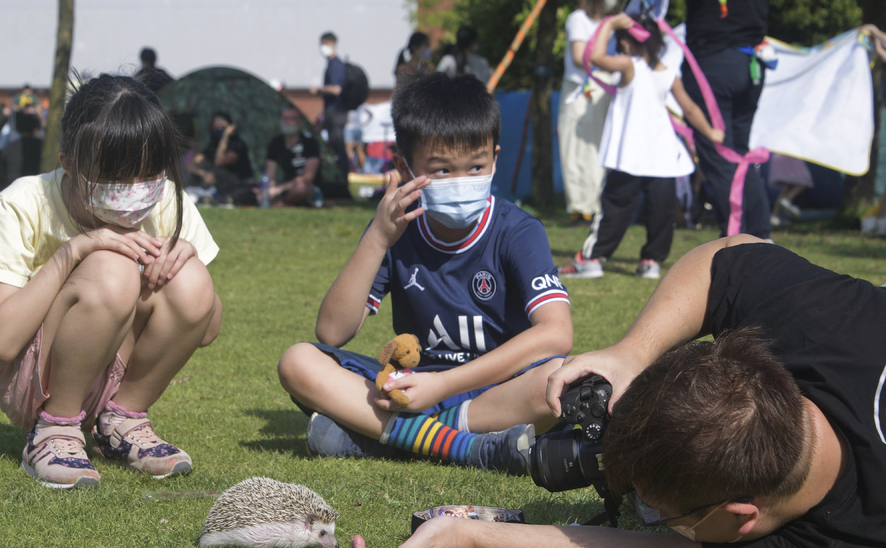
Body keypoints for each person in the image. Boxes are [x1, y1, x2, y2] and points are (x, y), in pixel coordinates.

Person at [354, 233, 886, 548]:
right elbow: (729, 256)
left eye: (661, 512)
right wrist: (633, 352)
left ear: (742, 517)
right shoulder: (833, 321)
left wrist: (476, 541)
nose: (644, 514)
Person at [278, 72, 573, 473]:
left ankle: (390, 437)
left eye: (476, 166)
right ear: (403, 165)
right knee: (298, 362)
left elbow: (557, 333)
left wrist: (442, 386)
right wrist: (378, 239)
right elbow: (332, 332)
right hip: (408, 387)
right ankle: (470, 448)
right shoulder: (396, 227)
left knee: (564, 380)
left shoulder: (518, 230)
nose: (462, 181)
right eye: (443, 171)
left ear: (495, 158)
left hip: (495, 390)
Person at [0, 74, 222, 490]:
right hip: (29, 376)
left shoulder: (167, 201)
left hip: (110, 368)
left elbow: (205, 328)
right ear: (68, 164)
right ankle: (54, 430)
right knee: (112, 266)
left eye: (148, 174)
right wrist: (75, 251)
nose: (135, 192)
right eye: (116, 177)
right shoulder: (22, 204)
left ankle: (121, 422)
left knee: (190, 276)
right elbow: (2, 342)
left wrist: (185, 259)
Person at [560, 13, 724, 280]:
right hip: (662, 157)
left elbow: (595, 58)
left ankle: (590, 260)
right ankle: (651, 260)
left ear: (624, 43)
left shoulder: (628, 65)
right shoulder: (666, 73)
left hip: (631, 155)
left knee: (615, 208)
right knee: (662, 212)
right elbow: (691, 110)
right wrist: (712, 133)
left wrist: (609, 24)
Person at [682, 0, 771, 239]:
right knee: (740, 155)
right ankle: (760, 235)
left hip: (714, 63)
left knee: (720, 157)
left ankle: (739, 239)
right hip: (751, 63)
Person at [558, 0, 614, 226]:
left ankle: (593, 206)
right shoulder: (578, 19)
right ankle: (579, 209)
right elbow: (579, 57)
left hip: (601, 90)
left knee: (595, 149)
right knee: (573, 149)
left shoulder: (610, 23)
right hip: (579, 90)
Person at [187, 111, 255, 205]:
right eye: (216, 127)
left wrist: (225, 136)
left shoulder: (237, 145)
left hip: (238, 183)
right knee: (194, 176)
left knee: (217, 172)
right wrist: (203, 174)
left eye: (222, 127)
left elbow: (219, 162)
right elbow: (191, 166)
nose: (219, 130)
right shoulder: (213, 144)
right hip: (216, 182)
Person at [264, 107, 322, 207]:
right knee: (259, 191)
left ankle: (282, 203)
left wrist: (281, 189)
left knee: (301, 187)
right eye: (285, 118)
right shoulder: (275, 143)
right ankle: (283, 202)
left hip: (305, 186)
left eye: (292, 119)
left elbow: (309, 177)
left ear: (300, 122)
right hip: (285, 185)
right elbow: (271, 173)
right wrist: (271, 187)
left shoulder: (309, 143)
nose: (288, 122)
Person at [310, 32, 350, 179]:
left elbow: (336, 89)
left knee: (338, 148)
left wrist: (319, 90)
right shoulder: (332, 64)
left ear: (331, 44)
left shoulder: (336, 65)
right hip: (333, 112)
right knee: (334, 147)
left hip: (337, 113)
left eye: (324, 44)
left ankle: (342, 178)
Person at [766, 153, 811, 227]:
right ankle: (787, 199)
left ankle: (774, 216)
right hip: (789, 155)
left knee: (787, 187)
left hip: (779, 155)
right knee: (805, 180)